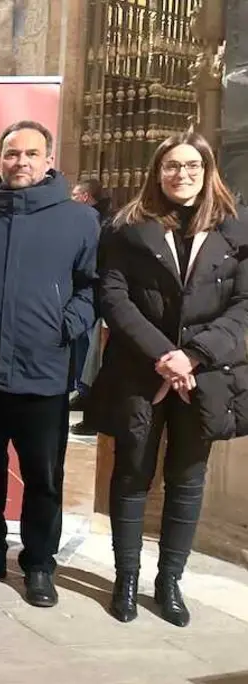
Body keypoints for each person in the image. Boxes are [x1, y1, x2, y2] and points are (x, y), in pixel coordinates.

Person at [0, 120, 99, 607]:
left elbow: (92, 287)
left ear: (49, 160)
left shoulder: (79, 221)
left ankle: (39, 565)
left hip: (43, 371)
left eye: (31, 154)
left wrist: (65, 326)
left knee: (43, 476)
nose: (20, 162)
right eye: (11, 154)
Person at [93, 131, 248, 627]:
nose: (181, 175)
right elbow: (114, 298)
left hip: (206, 375)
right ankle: (127, 579)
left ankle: (170, 581)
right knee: (132, 473)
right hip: (142, 370)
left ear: (207, 171)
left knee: (187, 477)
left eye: (192, 166)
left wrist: (195, 358)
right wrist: (165, 355)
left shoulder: (235, 228)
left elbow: (245, 306)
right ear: (156, 172)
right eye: (171, 166)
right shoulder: (126, 227)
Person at [69, 178, 114, 434]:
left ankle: (90, 402)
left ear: (86, 197)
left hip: (97, 296)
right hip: (89, 294)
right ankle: (83, 392)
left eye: (75, 194)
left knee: (92, 354)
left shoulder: (95, 221)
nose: (72, 198)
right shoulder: (95, 219)